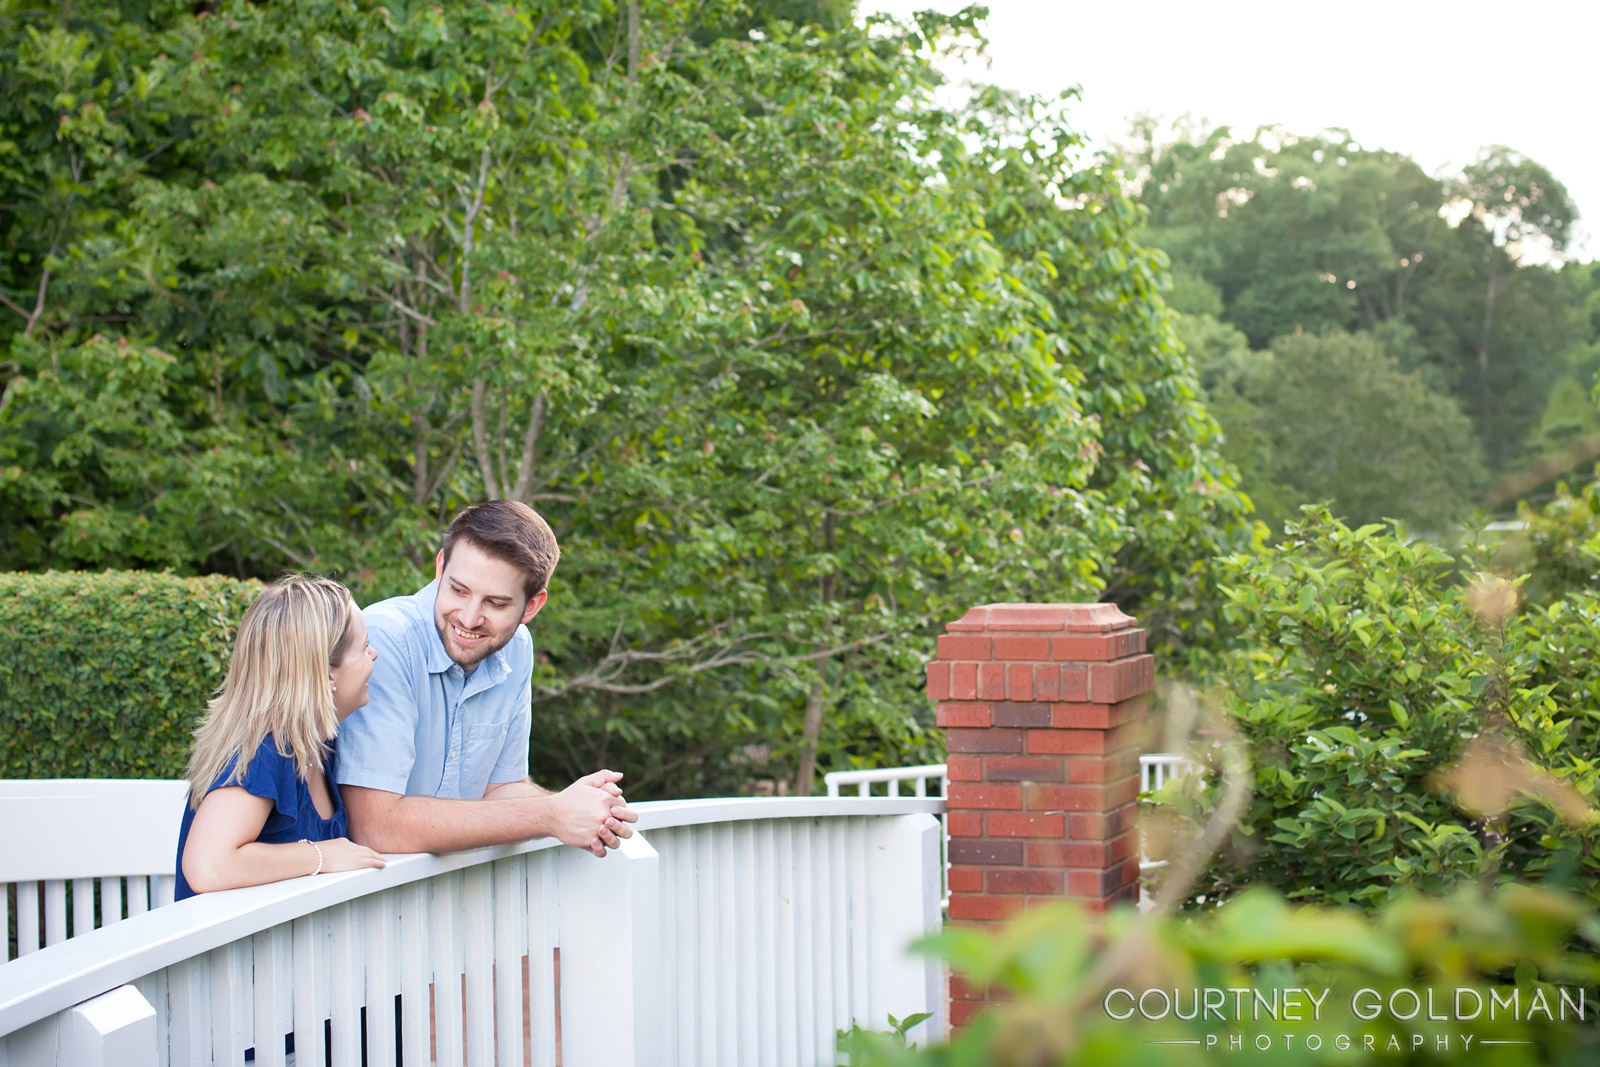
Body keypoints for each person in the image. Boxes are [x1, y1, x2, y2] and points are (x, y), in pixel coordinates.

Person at [335, 499, 635, 856]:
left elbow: (501, 789)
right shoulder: (386, 638)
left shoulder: (517, 647)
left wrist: (581, 807)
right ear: (440, 567)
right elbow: (376, 826)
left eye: (495, 603)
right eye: (458, 590)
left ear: (532, 606)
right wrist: (551, 815)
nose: (469, 618)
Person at [175, 576, 387, 900]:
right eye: (363, 646)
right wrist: (323, 856)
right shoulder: (266, 752)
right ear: (327, 674)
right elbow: (208, 864)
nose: (373, 654)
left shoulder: (318, 746)